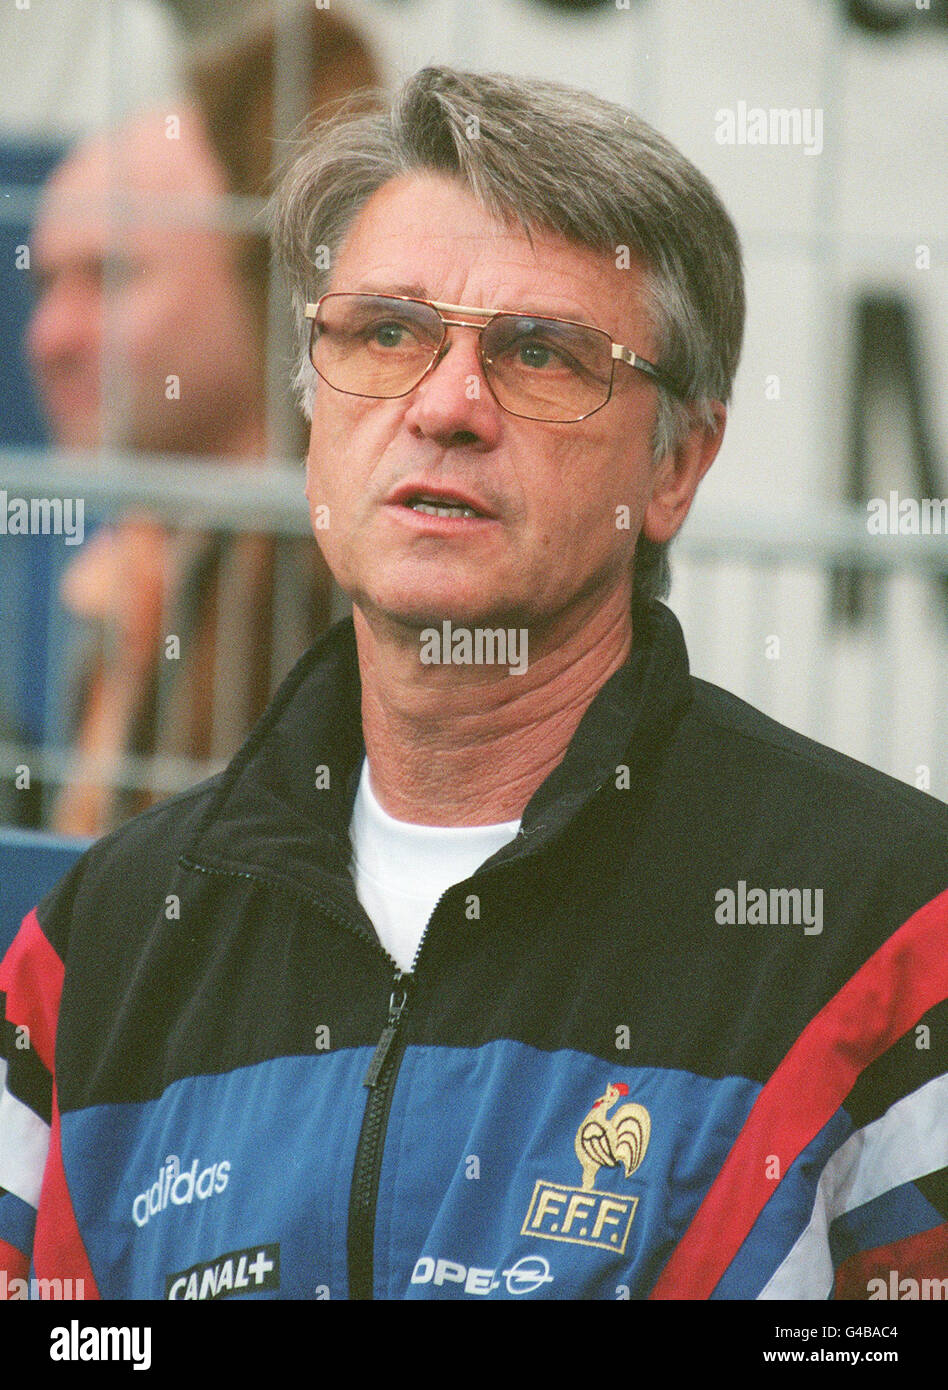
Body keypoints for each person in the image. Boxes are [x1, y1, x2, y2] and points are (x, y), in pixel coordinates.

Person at [1, 66, 945, 1302]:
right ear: (313, 407)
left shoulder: (886, 928)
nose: (445, 405)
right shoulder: (98, 952)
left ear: (677, 466)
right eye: (386, 332)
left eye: (541, 354)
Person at [23, 2, 377, 835]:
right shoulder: (135, 586)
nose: (49, 338)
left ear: (259, 276)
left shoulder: (355, 617)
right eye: (43, 286)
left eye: (108, 278)